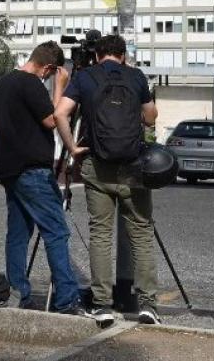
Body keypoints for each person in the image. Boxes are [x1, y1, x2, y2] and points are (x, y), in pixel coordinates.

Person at [54, 33, 159, 325]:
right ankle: (148, 304)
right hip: (133, 167)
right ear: (123, 55)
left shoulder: (86, 77)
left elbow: (61, 113)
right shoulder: (136, 77)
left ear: (98, 55)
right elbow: (150, 117)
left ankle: (102, 304)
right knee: (141, 233)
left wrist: (73, 148)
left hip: (96, 165)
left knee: (100, 235)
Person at [0, 41, 93, 318]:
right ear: (48, 67)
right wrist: (61, 86)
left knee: (18, 234)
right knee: (56, 231)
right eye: (51, 75)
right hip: (32, 169)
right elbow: (51, 120)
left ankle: (19, 294)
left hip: (9, 168)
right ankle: (67, 300)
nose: (49, 78)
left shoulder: (3, 83)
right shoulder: (31, 82)